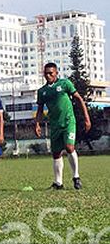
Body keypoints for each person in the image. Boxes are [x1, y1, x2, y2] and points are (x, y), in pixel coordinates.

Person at [35, 62, 91, 190]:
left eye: (51, 73)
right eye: (46, 73)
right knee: (56, 153)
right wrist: (37, 124)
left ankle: (76, 177)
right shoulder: (42, 91)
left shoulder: (65, 84)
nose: (48, 76)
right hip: (54, 124)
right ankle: (58, 183)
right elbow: (39, 109)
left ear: (56, 73)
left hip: (68, 121)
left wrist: (87, 118)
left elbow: (79, 99)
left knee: (69, 146)